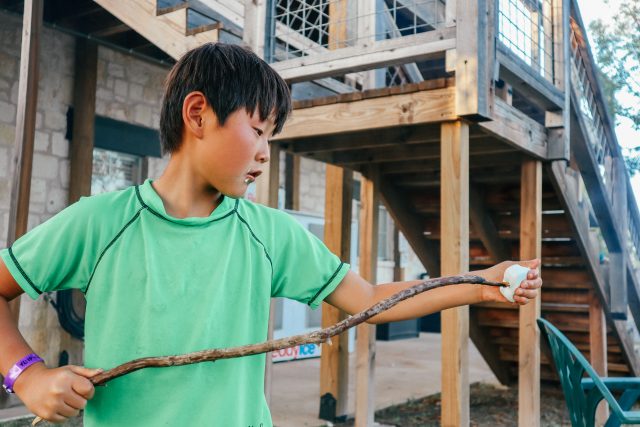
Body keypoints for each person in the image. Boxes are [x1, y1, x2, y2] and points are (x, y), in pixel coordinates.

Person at [0, 42, 542, 426]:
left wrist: (482, 283)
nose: (265, 152)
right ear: (197, 114)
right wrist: (26, 376)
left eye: (271, 136)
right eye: (257, 130)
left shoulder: (269, 234)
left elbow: (369, 299)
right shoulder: (99, 223)